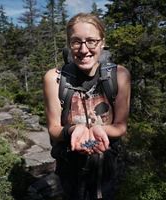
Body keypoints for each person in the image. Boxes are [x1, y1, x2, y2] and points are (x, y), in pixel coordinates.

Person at [43, 12, 131, 200]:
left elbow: (121, 126)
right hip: (69, 167)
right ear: (69, 44)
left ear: (102, 42)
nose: (84, 50)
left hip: (106, 167)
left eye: (91, 41)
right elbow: (53, 129)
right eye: (76, 42)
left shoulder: (119, 75)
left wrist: (99, 130)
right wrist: (73, 130)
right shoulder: (54, 79)